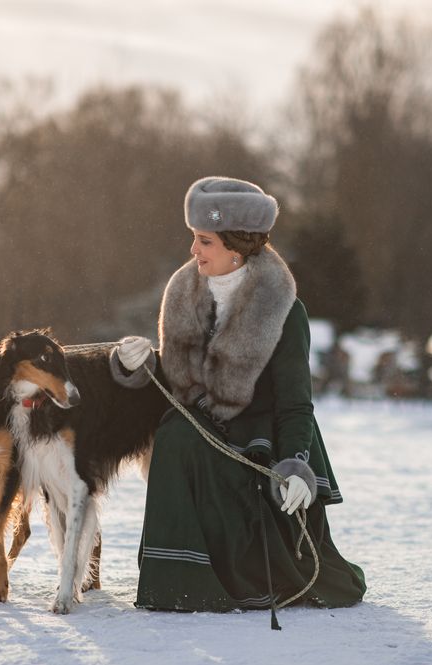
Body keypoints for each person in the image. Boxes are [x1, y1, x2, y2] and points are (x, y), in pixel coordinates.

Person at [110, 176, 366, 612]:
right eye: (194, 239)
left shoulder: (284, 310)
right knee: (175, 435)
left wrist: (296, 465)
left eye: (204, 241)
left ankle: (230, 574)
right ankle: (178, 581)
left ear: (236, 247)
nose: (193, 251)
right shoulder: (184, 293)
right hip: (203, 427)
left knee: (186, 440)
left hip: (261, 439)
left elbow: (296, 403)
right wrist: (141, 362)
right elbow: (180, 376)